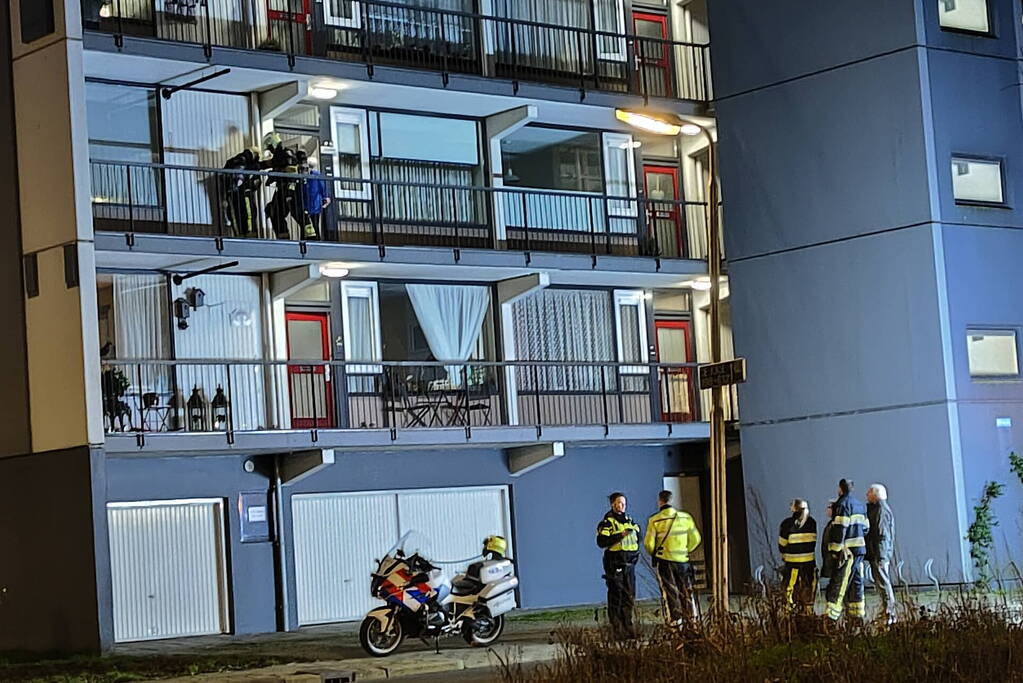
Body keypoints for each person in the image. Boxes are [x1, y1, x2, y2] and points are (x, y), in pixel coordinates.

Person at [644, 490, 701, 625]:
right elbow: (696, 539)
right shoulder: (685, 518)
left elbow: (648, 544)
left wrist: (655, 552)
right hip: (683, 561)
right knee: (686, 590)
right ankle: (691, 620)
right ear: (672, 500)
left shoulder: (655, 520)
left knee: (670, 592)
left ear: (660, 502)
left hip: (665, 561)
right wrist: (685, 550)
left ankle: (676, 622)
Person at [825, 479, 870, 623]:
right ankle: (857, 617)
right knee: (856, 582)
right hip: (859, 550)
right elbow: (866, 528)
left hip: (847, 553)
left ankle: (832, 617)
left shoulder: (842, 505)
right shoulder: (860, 505)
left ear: (840, 489)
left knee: (840, 583)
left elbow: (840, 529)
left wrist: (835, 550)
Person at [596, 492, 641, 638]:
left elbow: (638, 537)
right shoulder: (608, 522)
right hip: (615, 564)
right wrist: (620, 535)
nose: (622, 506)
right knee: (617, 596)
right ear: (612, 504)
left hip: (630, 565)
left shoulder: (629, 520)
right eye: (619, 503)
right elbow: (601, 542)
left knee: (629, 596)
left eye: (624, 503)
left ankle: (628, 626)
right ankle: (617, 629)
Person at [261, 132, 317, 240]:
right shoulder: (280, 155)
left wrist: (276, 177)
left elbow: (291, 171)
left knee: (298, 213)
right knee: (275, 213)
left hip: (291, 189)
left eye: (269, 147)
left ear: (272, 144)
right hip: (283, 189)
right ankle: (283, 237)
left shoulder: (286, 154)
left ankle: (310, 237)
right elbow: (269, 164)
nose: (270, 150)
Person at [777, 499, 817, 615]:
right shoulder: (812, 522)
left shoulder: (787, 523)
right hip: (809, 563)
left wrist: (784, 554)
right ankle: (808, 613)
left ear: (794, 508)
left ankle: (789, 611)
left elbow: (782, 543)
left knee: (790, 588)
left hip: (792, 563)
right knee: (808, 587)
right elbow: (813, 542)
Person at [866, 483, 897, 623]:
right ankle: (886, 609)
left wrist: (880, 555)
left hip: (880, 554)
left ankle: (889, 611)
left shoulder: (881, 511)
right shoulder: (878, 509)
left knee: (883, 582)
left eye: (869, 492)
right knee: (881, 582)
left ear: (875, 494)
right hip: (878, 553)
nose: (866, 495)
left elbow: (881, 534)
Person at [222, 146, 262, 238]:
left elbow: (224, 178)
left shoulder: (232, 161)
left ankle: (239, 236)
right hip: (245, 194)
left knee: (235, 216)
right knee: (249, 215)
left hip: (231, 195)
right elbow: (256, 181)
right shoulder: (249, 164)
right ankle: (250, 236)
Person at [301, 156, 330, 239]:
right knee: (315, 223)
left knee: (308, 223)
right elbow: (322, 187)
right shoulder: (317, 175)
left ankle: (308, 239)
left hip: (308, 202)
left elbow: (304, 188)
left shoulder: (306, 175)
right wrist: (325, 197)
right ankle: (317, 240)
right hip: (316, 202)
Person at [819, 500, 836, 589]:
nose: (827, 510)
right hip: (829, 559)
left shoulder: (836, 525)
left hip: (834, 560)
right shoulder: (830, 524)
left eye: (829, 507)